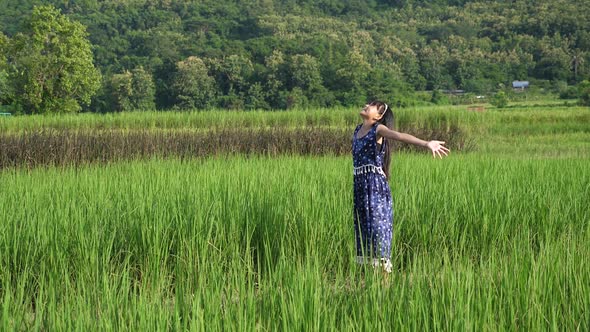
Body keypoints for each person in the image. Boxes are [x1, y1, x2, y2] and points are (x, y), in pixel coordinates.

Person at [352, 101, 449, 273]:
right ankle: (368, 287)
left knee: (377, 236)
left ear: (379, 116)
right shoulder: (357, 130)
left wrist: (426, 143)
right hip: (360, 190)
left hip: (375, 190)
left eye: (372, 105)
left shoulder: (378, 129)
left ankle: (385, 286)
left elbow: (400, 136)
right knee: (363, 236)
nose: (366, 105)